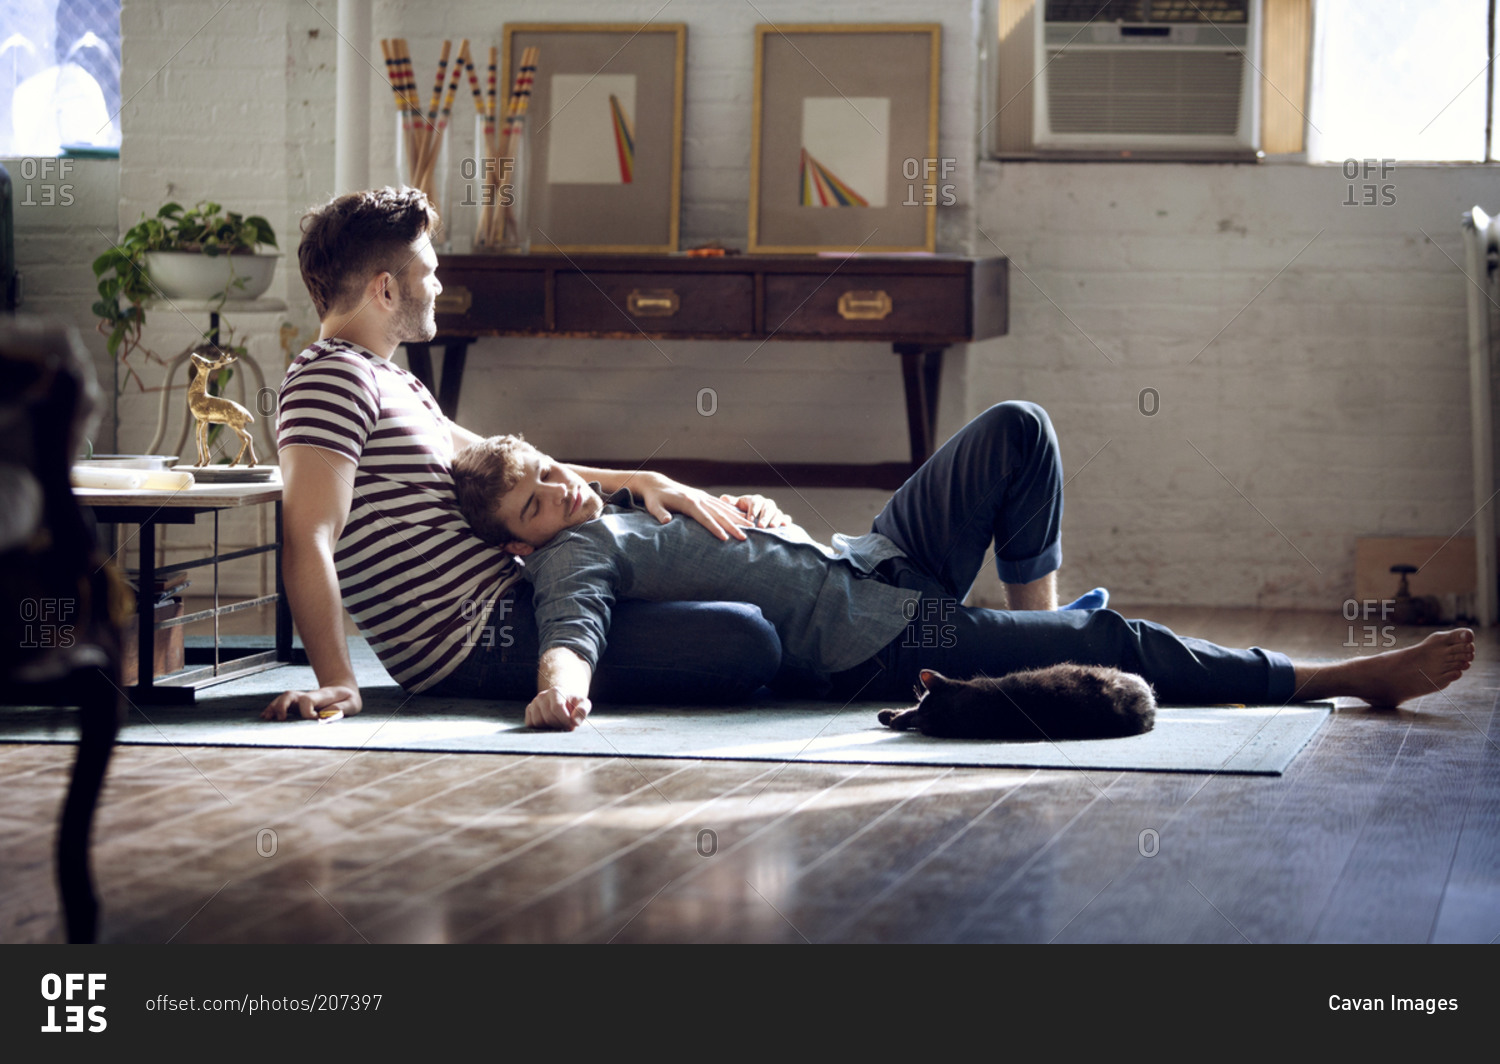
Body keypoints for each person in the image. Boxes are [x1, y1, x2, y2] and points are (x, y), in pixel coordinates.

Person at [451, 405, 1476, 730]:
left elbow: (742, 545)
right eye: (540, 501)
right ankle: (1331, 678)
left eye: (553, 470)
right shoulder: (574, 555)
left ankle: (1034, 628)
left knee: (1015, 431)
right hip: (877, 636)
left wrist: (769, 521)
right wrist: (558, 695)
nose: (564, 492)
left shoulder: (620, 498)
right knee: (1108, 643)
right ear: (522, 541)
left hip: (870, 556)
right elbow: (571, 633)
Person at [260, 188, 790, 722]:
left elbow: (511, 463)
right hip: (472, 642)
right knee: (744, 637)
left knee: (744, 589)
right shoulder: (328, 378)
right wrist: (339, 683)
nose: (440, 284)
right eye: (429, 271)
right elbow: (309, 534)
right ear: (387, 290)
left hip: (520, 594)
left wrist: (639, 479)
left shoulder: (391, 380)